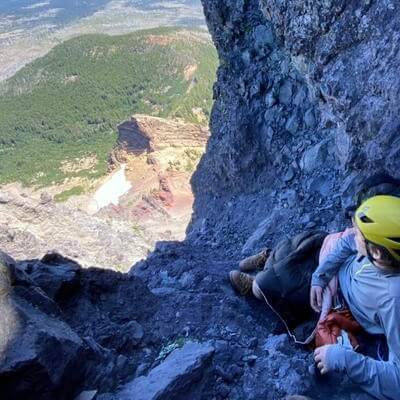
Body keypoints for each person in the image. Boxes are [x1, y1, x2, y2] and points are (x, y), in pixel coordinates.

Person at [312, 195, 400, 400]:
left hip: (345, 307)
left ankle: (254, 283)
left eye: (360, 234)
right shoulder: (386, 252)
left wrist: (344, 359)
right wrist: (320, 276)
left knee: (274, 283)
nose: (354, 234)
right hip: (337, 277)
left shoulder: (394, 301)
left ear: (376, 253)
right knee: (302, 248)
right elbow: (348, 242)